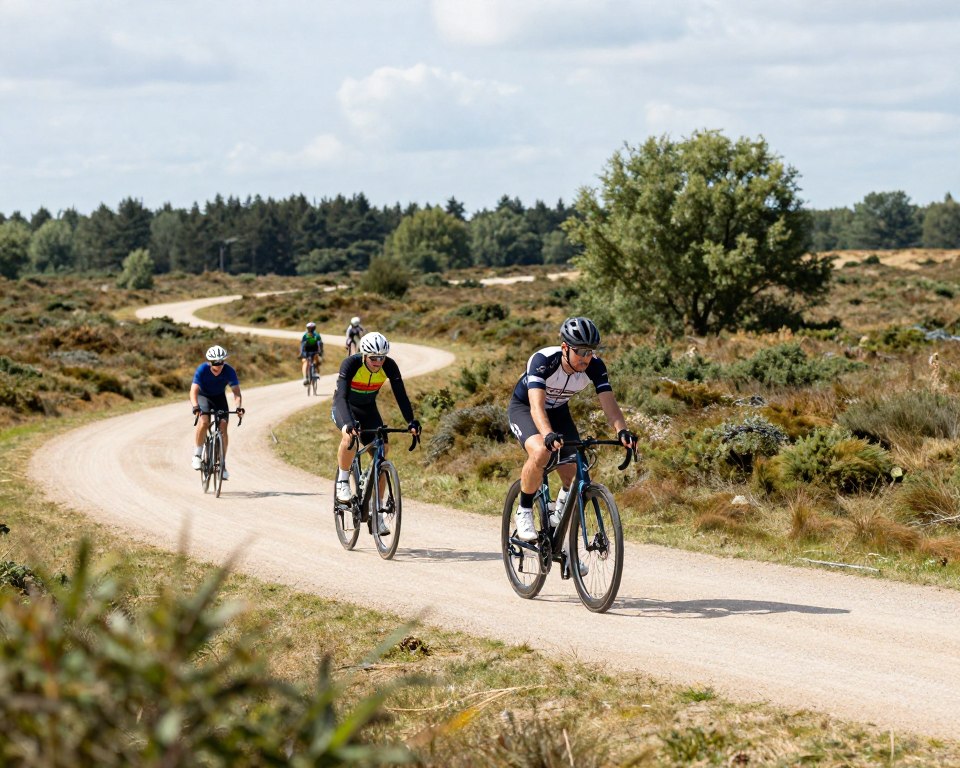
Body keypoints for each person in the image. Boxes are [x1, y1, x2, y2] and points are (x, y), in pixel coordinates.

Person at [508, 317, 636, 542]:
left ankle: (561, 533)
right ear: (565, 348)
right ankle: (524, 510)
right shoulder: (543, 360)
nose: (587, 358)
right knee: (541, 452)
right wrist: (547, 435)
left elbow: (609, 403)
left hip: (558, 411)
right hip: (526, 408)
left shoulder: (595, 366)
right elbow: (537, 407)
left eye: (591, 351)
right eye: (581, 351)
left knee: (578, 474)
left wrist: (622, 431)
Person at [331, 331, 420, 533]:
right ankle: (343, 481)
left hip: (368, 408)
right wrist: (348, 424)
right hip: (345, 406)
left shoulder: (389, 365)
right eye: (374, 358)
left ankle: (376, 513)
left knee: (382, 451)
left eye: (382, 357)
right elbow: (342, 397)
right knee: (349, 437)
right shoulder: (351, 364)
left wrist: (411, 422)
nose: (378, 362)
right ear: (364, 355)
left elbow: (401, 396)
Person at [190, 345, 244, 480]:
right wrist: (195, 406)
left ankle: (222, 464)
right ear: (209, 362)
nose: (218, 365)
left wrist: (238, 407)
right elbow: (194, 390)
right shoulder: (202, 369)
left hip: (219, 398)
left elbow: (236, 392)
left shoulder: (229, 370)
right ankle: (197, 455)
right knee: (204, 422)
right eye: (215, 362)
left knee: (223, 427)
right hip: (204, 397)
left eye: (221, 362)